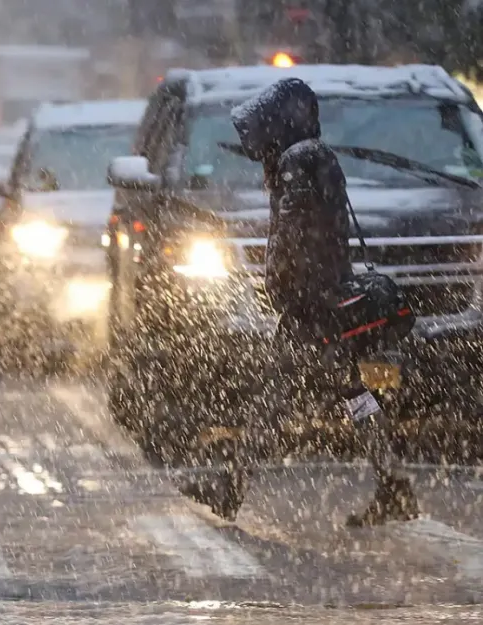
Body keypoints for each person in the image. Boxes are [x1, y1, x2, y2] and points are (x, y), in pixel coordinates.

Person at [179, 78, 419, 527]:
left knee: (273, 398)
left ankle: (233, 487)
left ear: (278, 122)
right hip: (328, 297)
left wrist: (287, 290)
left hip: (312, 306)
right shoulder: (314, 154)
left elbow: (293, 237)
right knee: (354, 394)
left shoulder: (297, 160)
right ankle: (393, 484)